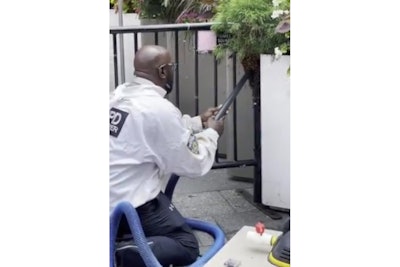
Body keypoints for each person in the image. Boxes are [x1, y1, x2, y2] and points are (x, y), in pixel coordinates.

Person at [110, 45, 226, 267]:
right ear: (163, 71)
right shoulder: (158, 108)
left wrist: (198, 122)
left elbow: (158, 130)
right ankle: (119, 256)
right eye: (172, 67)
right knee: (186, 244)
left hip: (112, 196)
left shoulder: (119, 95)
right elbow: (194, 163)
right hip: (130, 205)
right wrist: (212, 133)